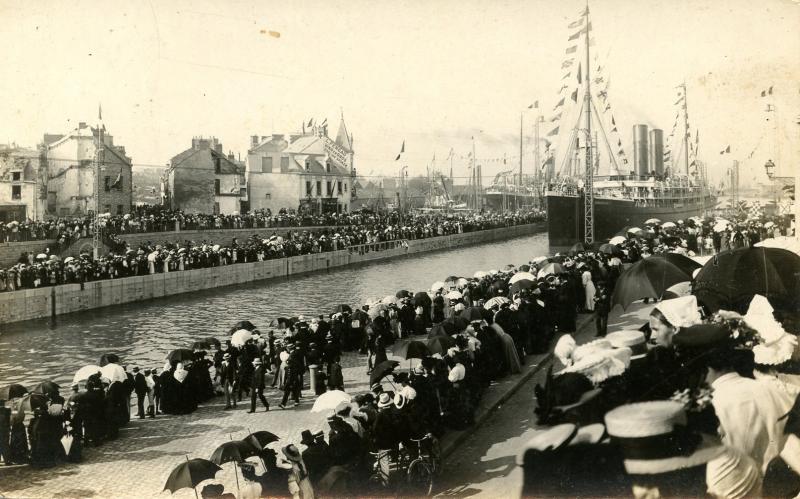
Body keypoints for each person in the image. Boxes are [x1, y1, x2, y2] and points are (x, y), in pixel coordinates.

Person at [0, 400, 11, 465]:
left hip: (3, 430)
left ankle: (6, 460)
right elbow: (9, 421)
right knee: (5, 445)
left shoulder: (7, 410)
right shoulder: (7, 410)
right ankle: (7, 460)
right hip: (4, 430)